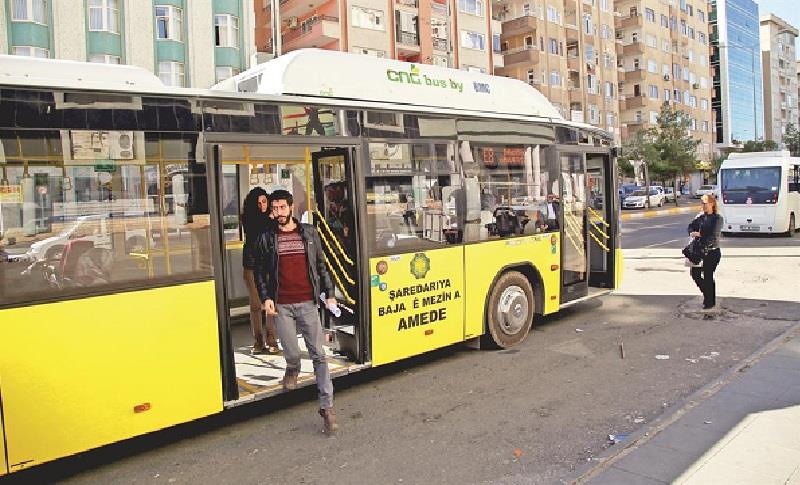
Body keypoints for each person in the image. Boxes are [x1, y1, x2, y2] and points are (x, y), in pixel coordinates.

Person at [252, 189, 339, 434]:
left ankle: (327, 408)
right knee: (291, 352)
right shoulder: (267, 237)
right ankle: (292, 368)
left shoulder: (309, 233)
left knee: (319, 355)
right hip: (282, 306)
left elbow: (321, 265)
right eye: (274, 209)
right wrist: (265, 298)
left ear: (291, 208)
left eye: (282, 208)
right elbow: (259, 271)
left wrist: (329, 293)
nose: (278, 213)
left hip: (307, 303)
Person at [241, 187, 279, 354]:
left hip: (269, 265)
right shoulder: (250, 219)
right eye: (258, 203)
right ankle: (258, 341)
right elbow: (258, 231)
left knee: (270, 303)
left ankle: (272, 339)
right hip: (251, 265)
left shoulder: (271, 219)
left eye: (264, 202)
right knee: (256, 305)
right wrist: (271, 218)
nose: (262, 205)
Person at [687, 194, 723, 310]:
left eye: (705, 203)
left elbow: (713, 236)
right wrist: (692, 232)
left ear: (712, 204)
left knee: (708, 276)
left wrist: (700, 235)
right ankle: (708, 295)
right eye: (702, 203)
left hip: (712, 252)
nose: (703, 205)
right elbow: (691, 226)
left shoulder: (717, 218)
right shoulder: (701, 217)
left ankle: (709, 301)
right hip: (699, 251)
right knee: (695, 274)